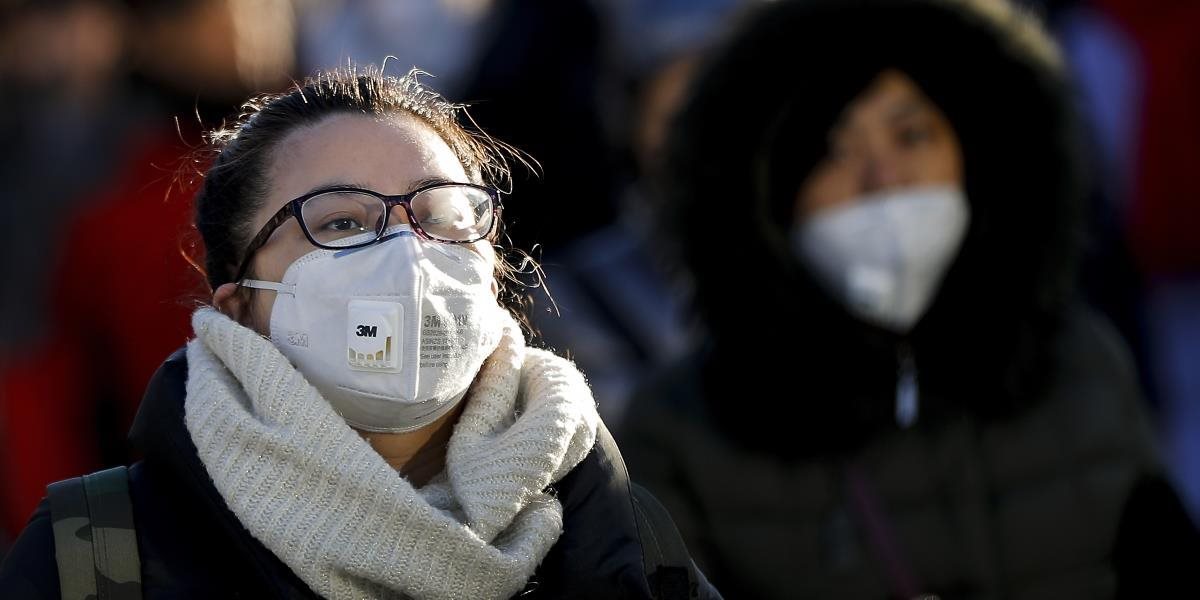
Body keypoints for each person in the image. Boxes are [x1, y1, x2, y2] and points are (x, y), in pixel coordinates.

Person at [0, 66, 718, 599]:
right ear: (240, 305)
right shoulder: (95, 556)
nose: (407, 254)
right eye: (341, 222)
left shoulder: (621, 531)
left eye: (440, 216)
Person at [616, 0, 1200, 598]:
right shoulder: (682, 433)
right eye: (835, 150)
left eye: (911, 134)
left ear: (975, 158)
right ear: (768, 190)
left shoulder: (1082, 366)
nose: (883, 176)